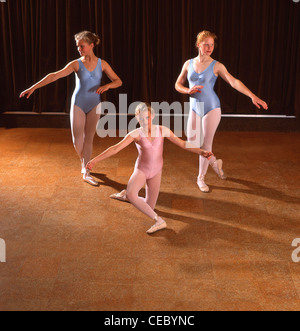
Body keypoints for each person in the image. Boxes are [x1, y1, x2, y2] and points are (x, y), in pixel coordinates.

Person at [86, 103, 213, 234]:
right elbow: (115, 148)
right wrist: (95, 160)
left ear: (152, 116)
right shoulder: (136, 134)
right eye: (141, 118)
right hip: (142, 170)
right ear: (137, 118)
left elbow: (182, 143)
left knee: (149, 206)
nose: (144, 121)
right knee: (132, 194)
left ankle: (125, 196)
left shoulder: (162, 130)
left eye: (146, 117)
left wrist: (200, 151)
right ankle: (158, 220)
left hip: (156, 172)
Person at [20, 31, 122, 186]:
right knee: (76, 139)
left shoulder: (103, 64)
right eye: (77, 46)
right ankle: (84, 161)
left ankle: (86, 171)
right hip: (78, 104)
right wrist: (33, 87)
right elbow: (54, 75)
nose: (79, 49)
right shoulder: (76, 64)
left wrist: (108, 85)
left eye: (82, 46)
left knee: (89, 139)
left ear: (91, 45)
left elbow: (118, 81)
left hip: (95, 103)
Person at [175, 30, 268, 193]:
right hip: (195, 107)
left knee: (206, 144)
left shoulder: (217, 65)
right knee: (191, 141)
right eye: (206, 44)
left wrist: (252, 96)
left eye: (212, 45)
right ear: (198, 45)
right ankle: (215, 163)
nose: (210, 47)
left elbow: (234, 81)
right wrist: (187, 91)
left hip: (212, 108)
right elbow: (177, 84)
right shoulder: (188, 64)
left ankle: (201, 178)